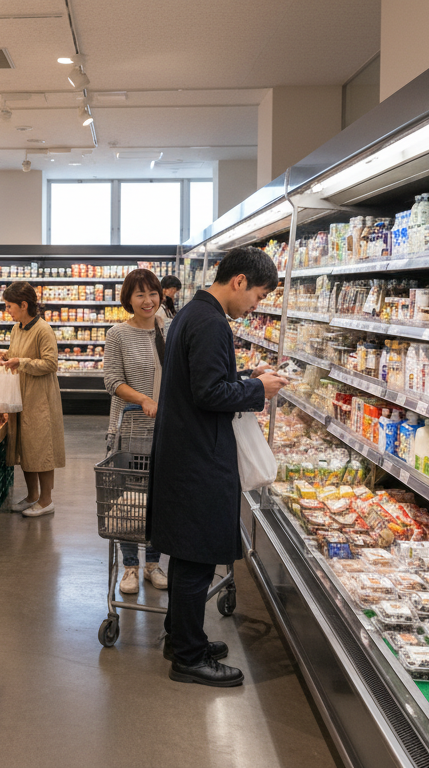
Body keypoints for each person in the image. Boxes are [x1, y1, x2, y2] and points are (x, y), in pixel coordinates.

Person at [146, 246, 289, 687]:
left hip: (185, 452)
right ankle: (188, 657)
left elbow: (198, 378)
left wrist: (246, 375)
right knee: (197, 558)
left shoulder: (193, 314)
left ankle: (180, 637)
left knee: (190, 556)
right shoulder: (210, 322)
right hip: (199, 459)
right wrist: (256, 389)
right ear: (240, 281)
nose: (257, 305)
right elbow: (209, 394)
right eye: (260, 296)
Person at [103, 268, 168, 594]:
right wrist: (144, 399)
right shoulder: (118, 334)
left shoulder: (170, 328)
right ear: (128, 298)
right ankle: (129, 567)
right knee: (128, 501)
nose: (148, 300)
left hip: (165, 429)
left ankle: (153, 564)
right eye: (140, 294)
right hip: (129, 429)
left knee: (160, 499)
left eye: (153, 293)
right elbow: (112, 381)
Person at [1, 282, 65, 518]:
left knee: (42, 448)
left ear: (24, 305)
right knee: (26, 447)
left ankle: (46, 500)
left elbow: (50, 363)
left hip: (40, 398)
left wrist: (21, 362)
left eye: (10, 306)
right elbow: (19, 354)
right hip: (21, 395)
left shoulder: (43, 330)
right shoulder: (17, 328)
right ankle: (31, 496)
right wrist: (7, 357)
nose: (7, 310)